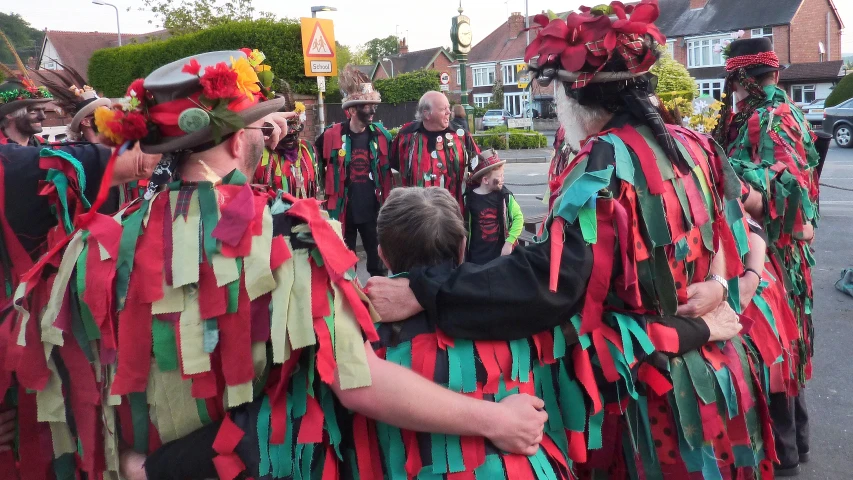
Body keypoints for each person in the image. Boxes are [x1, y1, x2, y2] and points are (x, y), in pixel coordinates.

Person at [9, 50, 547, 480]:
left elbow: (66, 380)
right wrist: (496, 420)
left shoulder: (92, 245)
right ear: (239, 137)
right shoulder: (286, 232)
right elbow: (355, 381)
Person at [368, 2, 772, 478]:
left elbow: (552, 281)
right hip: (719, 374)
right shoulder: (694, 142)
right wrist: (725, 290)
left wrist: (426, 290)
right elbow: (742, 234)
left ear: (574, 95)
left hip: (650, 390)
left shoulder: (604, 160)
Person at [714, 36, 820, 477]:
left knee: (772, 349)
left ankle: (787, 453)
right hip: (780, 252)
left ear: (742, 79)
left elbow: (784, 194)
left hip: (773, 255)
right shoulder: (778, 113)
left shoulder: (767, 119)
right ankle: (797, 441)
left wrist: (728, 181)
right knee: (786, 348)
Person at [316, 65, 392, 277]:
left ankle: (378, 306)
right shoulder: (330, 136)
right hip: (342, 213)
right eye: (367, 106)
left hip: (373, 213)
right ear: (351, 110)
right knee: (344, 268)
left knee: (378, 266)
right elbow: (315, 168)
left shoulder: (382, 136)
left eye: (373, 105)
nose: (372, 111)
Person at [390, 91, 480, 208]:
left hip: (453, 212)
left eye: (449, 108)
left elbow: (478, 166)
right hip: (416, 212)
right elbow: (395, 165)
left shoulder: (462, 136)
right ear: (427, 114)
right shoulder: (406, 135)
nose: (449, 112)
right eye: (443, 109)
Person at [254, 81, 319, 198]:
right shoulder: (258, 154)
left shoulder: (308, 149)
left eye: (295, 132)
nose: (292, 137)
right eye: (285, 133)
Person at [464, 149, 523, 263]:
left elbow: (518, 218)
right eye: (499, 176)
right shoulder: (469, 199)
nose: (503, 179)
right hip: (476, 258)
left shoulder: (504, 196)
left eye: (503, 175)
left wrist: (509, 243)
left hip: (500, 256)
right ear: (485, 180)